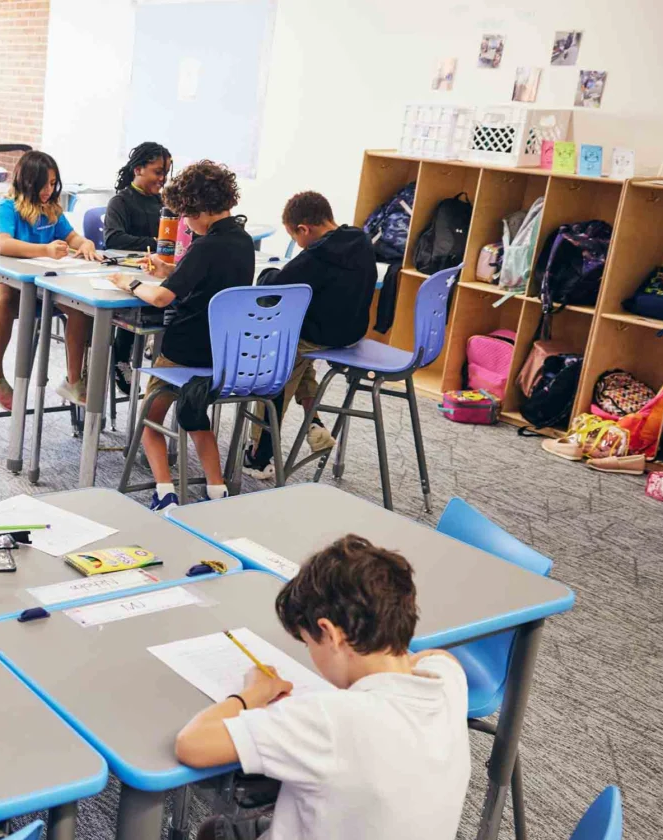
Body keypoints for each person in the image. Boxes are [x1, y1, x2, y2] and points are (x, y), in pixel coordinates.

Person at [174, 535, 470, 840]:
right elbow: (439, 657)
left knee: (215, 832)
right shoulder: (448, 683)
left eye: (308, 642)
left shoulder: (329, 720)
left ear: (330, 633)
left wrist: (253, 693)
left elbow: (192, 745)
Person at [116, 160, 252, 511]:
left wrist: (130, 282)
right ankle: (216, 490)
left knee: (151, 416)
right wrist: (171, 270)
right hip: (222, 355)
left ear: (199, 210)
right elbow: (210, 277)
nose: (186, 226)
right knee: (194, 414)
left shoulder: (205, 246)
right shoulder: (241, 241)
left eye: (186, 217)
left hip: (185, 351)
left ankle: (165, 492)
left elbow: (161, 297)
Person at [242, 191, 377, 479]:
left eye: (295, 237)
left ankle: (260, 454)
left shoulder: (318, 256)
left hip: (318, 335)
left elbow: (274, 289)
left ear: (304, 229)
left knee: (275, 360)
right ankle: (312, 418)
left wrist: (267, 274)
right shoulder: (360, 240)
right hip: (351, 332)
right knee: (297, 355)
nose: (298, 244)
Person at [0, 150, 99, 408]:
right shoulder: (6, 207)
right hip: (0, 278)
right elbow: (4, 245)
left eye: (53, 183)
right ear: (27, 182)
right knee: (2, 302)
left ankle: (73, 381)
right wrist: (45, 250)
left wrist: (85, 243)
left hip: (39, 283)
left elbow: (72, 237)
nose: (48, 189)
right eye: (43, 184)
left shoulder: (51, 209)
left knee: (80, 308)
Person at [104, 142, 172, 394]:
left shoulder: (164, 203)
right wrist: (156, 244)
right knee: (134, 300)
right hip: (128, 272)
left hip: (158, 272)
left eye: (165, 172)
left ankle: (163, 359)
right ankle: (121, 359)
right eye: (157, 171)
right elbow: (113, 239)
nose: (162, 178)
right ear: (138, 169)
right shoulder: (120, 202)